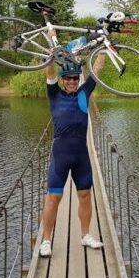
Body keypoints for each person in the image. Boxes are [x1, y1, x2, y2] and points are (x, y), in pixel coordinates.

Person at [39, 33, 106, 257]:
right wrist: (50, 57)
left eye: (74, 79)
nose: (71, 82)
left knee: (85, 196)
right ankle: (46, 240)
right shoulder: (54, 94)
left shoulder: (84, 93)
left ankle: (86, 235)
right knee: (53, 198)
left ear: (78, 80)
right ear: (62, 80)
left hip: (81, 155)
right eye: (67, 79)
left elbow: (97, 70)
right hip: (61, 154)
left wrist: (103, 48)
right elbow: (49, 73)